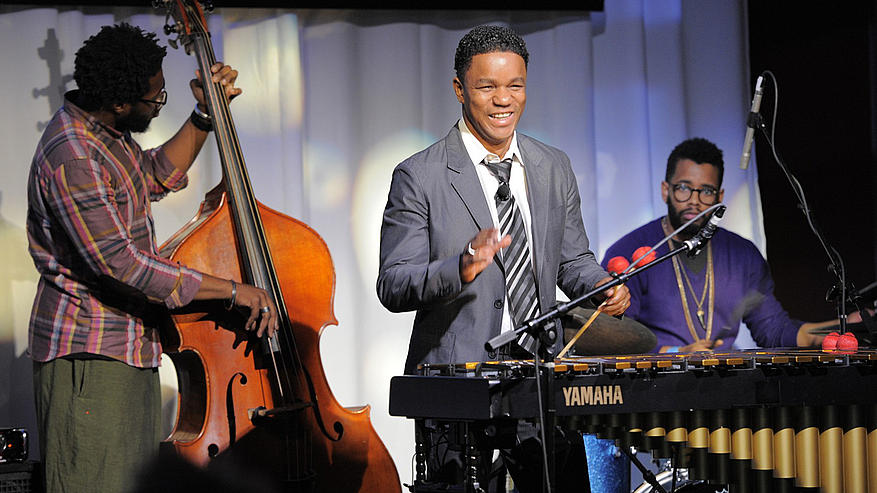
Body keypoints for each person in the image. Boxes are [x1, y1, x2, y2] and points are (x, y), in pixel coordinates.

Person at [26, 24, 279, 493]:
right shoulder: (74, 158)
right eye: (155, 100)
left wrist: (204, 114)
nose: (159, 104)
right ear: (121, 103)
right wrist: (232, 289)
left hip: (126, 349)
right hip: (91, 356)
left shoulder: (105, 132)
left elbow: (152, 176)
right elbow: (124, 264)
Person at [377, 25, 629, 492]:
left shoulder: (553, 166)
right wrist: (461, 266)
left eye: (514, 85)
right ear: (459, 89)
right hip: (457, 386)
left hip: (541, 374)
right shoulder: (419, 175)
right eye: (487, 86)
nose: (503, 100)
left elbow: (573, 260)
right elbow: (393, 284)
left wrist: (601, 287)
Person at [601, 137, 830, 353]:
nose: (694, 199)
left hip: (722, 384)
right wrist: (677, 353)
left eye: (706, 191)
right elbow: (613, 338)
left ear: (719, 197)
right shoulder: (631, 252)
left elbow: (773, 330)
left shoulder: (742, 255)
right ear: (665, 191)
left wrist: (833, 332)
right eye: (683, 188)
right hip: (654, 386)